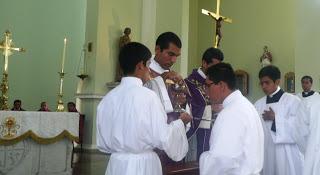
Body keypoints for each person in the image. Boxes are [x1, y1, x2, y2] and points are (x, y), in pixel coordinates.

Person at [96, 42, 191, 175]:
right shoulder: (148, 97)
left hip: (116, 163)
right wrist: (181, 122)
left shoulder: (108, 99)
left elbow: (102, 142)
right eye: (148, 65)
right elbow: (163, 137)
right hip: (143, 165)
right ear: (140, 66)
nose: (149, 70)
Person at [199, 63, 264, 175]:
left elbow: (221, 160)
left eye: (208, 86)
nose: (205, 91)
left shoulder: (231, 113)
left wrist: (204, 159)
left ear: (222, 85)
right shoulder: (245, 105)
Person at [254, 65, 303, 175]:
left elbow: (298, 128)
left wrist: (276, 119)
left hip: (286, 153)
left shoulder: (293, 101)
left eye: (267, 82)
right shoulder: (258, 104)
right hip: (266, 152)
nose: (264, 86)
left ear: (277, 82)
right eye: (261, 83)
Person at [185, 47, 224, 160]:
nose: (217, 70)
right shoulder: (189, 83)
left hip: (216, 131)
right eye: (214, 66)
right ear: (204, 63)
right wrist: (210, 108)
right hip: (198, 134)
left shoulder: (217, 82)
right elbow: (188, 108)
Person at [295, 94, 320, 175]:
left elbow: (299, 133)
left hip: (313, 151)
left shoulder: (308, 102)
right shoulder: (306, 102)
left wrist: (308, 149)